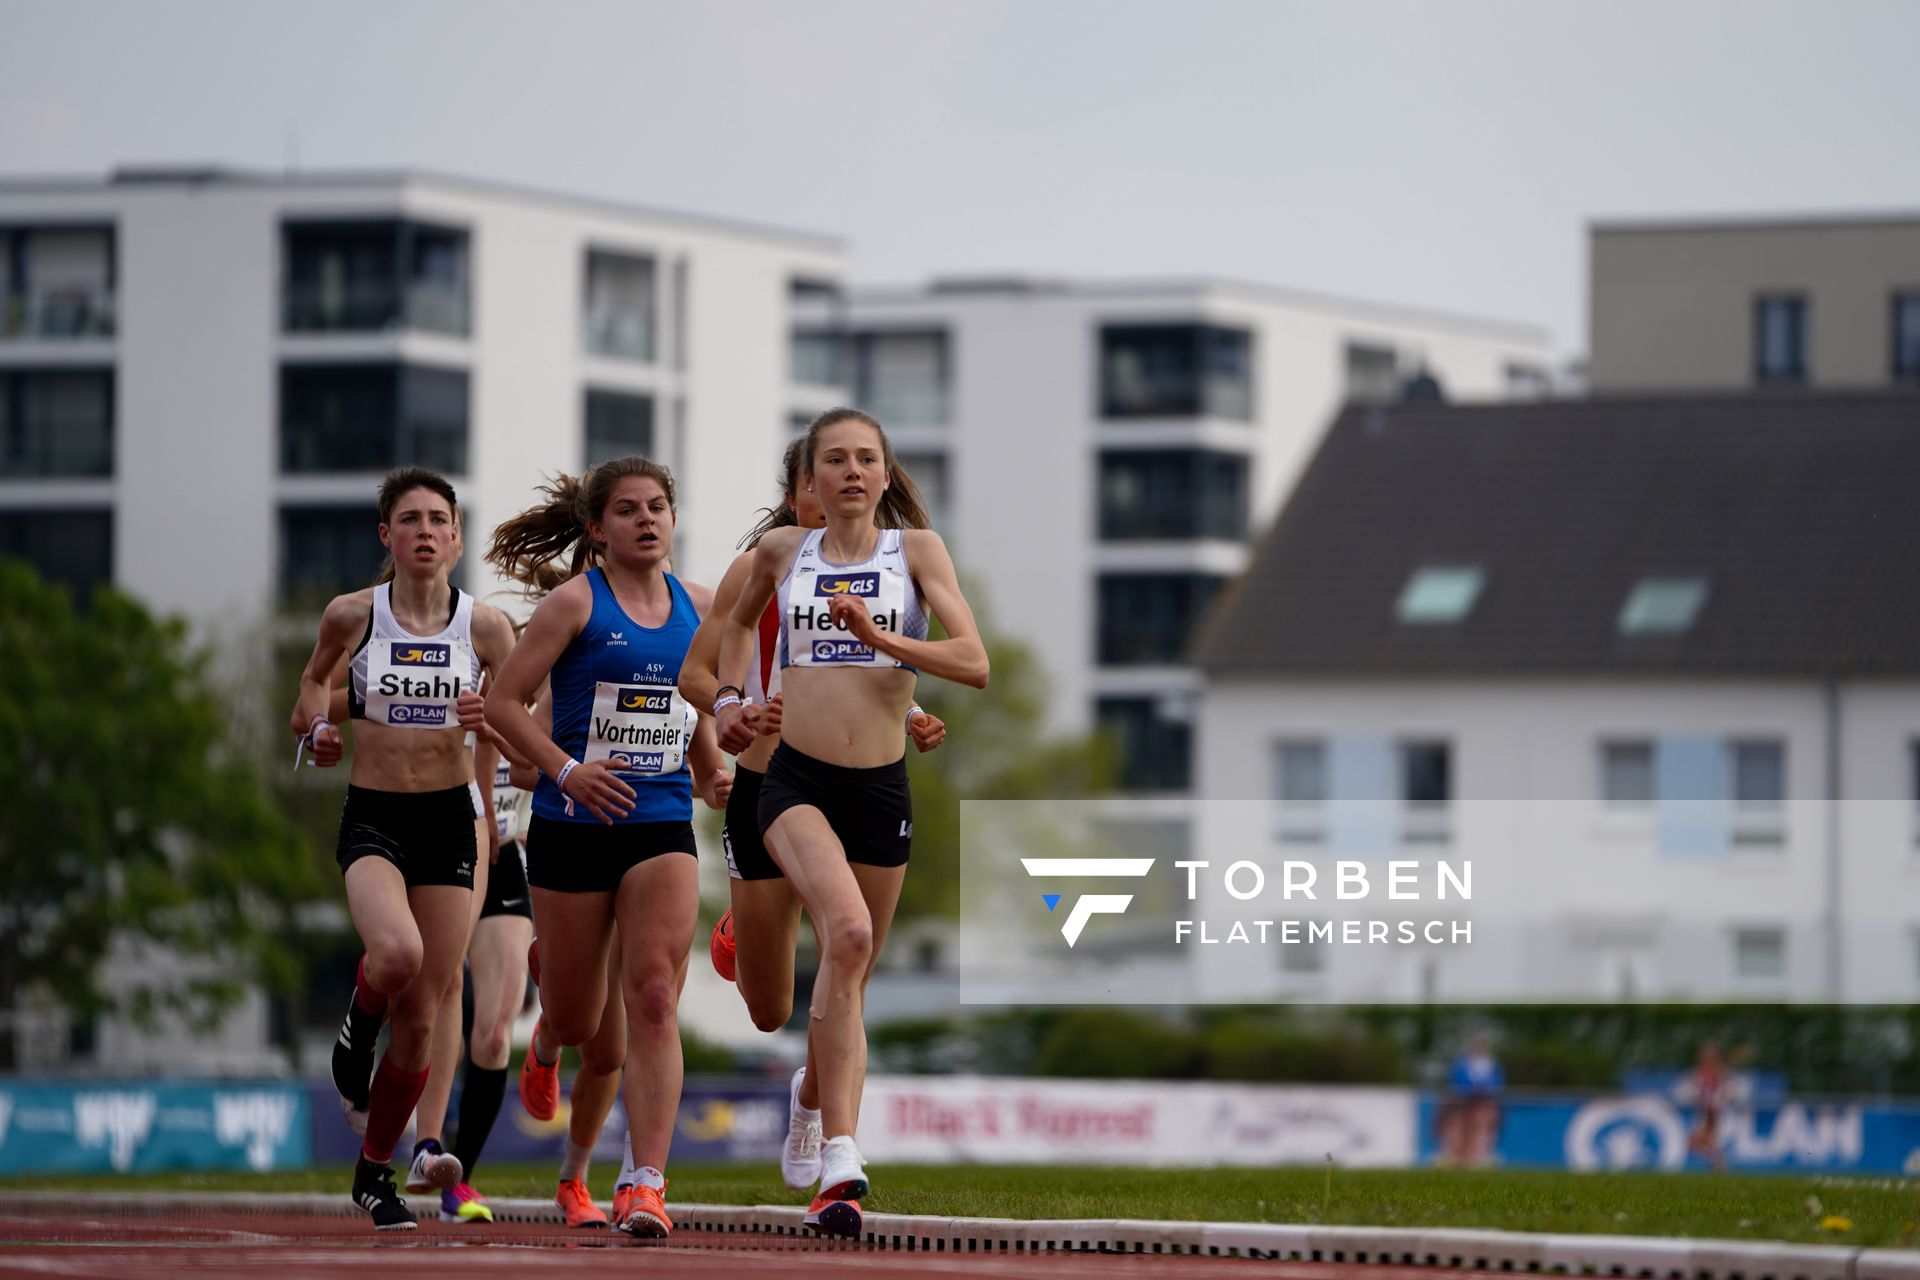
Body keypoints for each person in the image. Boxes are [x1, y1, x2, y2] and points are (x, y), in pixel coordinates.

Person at [711, 408, 988, 1237]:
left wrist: (886, 646)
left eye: (867, 459)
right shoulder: (779, 553)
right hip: (792, 783)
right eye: (835, 460)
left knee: (851, 969)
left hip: (881, 790)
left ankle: (807, 1094)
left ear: (885, 472)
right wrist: (730, 700)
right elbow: (730, 629)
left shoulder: (919, 553)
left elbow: (972, 661)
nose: (852, 472)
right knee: (850, 934)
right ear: (813, 479)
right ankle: (841, 1154)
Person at [483, 456, 729, 1238]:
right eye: (628, 510)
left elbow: (688, 703)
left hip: (659, 826)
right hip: (572, 825)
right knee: (581, 1019)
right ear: (598, 528)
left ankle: (646, 1183)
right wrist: (566, 770)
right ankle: (548, 1017)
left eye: (658, 507)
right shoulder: (571, 606)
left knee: (655, 994)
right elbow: (500, 702)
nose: (647, 520)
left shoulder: (705, 607)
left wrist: (711, 769)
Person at [291, 466, 516, 1230]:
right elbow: (311, 690)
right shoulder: (353, 616)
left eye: (438, 519)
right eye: (409, 519)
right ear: (387, 537)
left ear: (456, 538)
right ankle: (355, 1034)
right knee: (395, 956)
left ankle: (374, 1172)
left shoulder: (484, 629)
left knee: (425, 1012)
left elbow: (514, 716)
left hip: (453, 821)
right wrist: (319, 730)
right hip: (376, 819)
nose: (425, 531)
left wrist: (493, 722)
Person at [1438, 1034, 1503, 1167]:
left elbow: (1498, 1083)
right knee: (1461, 1128)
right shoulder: (1463, 1064)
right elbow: (1456, 1082)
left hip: (1483, 1102)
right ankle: (1459, 1156)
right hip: (1465, 1103)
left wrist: (1485, 1091)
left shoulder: (1491, 1065)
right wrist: (1468, 1090)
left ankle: (1479, 1155)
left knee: (1481, 1128)